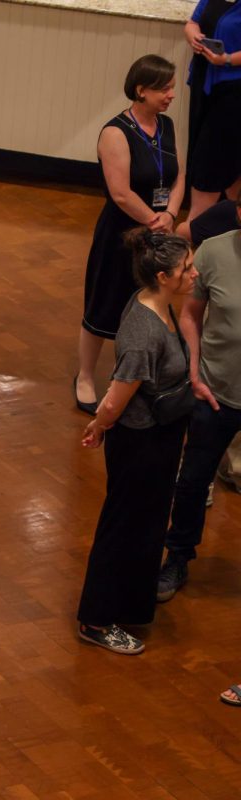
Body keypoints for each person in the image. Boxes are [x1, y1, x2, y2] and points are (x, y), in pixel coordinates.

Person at [76, 230, 197, 655]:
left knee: (145, 525)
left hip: (159, 438)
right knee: (124, 526)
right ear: (163, 276)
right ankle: (95, 619)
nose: (193, 273)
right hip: (140, 442)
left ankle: (126, 604)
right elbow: (118, 392)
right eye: (186, 268)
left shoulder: (156, 303)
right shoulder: (145, 329)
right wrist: (99, 424)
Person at [75, 55, 184, 416]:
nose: (171, 94)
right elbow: (120, 193)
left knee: (148, 304)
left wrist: (169, 215)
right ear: (141, 90)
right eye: (164, 88)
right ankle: (86, 376)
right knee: (104, 303)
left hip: (157, 229)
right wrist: (155, 219)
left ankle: (133, 375)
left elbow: (180, 175)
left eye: (172, 87)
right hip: (122, 234)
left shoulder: (166, 126)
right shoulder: (115, 132)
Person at [155, 200, 241, 603]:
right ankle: (177, 557)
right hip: (215, 392)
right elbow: (189, 314)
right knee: (191, 482)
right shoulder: (214, 252)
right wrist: (193, 369)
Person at [183, 1, 241, 222]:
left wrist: (226, 59)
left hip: (233, 91)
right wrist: (194, 37)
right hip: (203, 83)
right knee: (209, 153)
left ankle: (195, 226)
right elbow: (193, 22)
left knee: (211, 159)